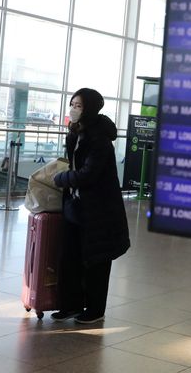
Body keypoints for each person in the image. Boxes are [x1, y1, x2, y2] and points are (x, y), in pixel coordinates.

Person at [51, 88, 130, 324]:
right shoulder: (75, 133)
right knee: (70, 256)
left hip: (99, 209)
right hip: (76, 205)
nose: (74, 110)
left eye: (79, 106)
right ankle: (71, 304)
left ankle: (95, 309)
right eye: (72, 104)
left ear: (91, 109)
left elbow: (88, 174)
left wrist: (61, 179)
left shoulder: (100, 139)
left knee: (96, 259)